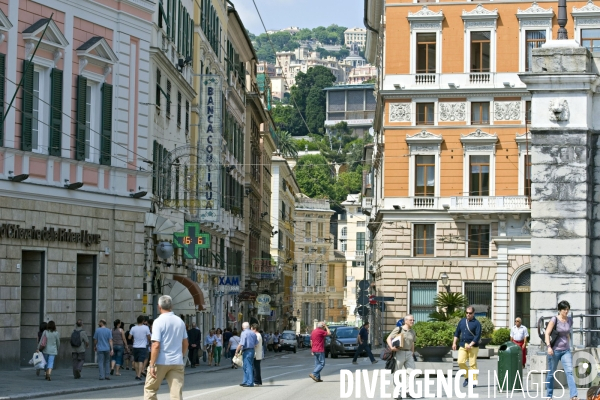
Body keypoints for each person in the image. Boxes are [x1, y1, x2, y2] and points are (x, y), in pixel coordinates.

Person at [144, 295, 189, 400]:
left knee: (150, 390)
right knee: (176, 394)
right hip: (177, 361)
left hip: (160, 361)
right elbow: (185, 343)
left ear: (159, 307)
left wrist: (151, 365)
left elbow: (156, 345)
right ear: (171, 306)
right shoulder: (180, 322)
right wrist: (180, 355)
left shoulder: (158, 322)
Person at [544, 300, 577, 400]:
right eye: (564, 310)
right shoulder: (555, 320)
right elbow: (547, 334)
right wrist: (549, 347)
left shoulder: (569, 320)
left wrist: (569, 344)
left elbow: (567, 333)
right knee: (551, 373)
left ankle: (574, 396)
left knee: (569, 372)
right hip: (554, 350)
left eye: (567, 309)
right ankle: (549, 395)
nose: (566, 312)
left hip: (565, 350)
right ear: (559, 310)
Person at [387, 315, 416, 399]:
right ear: (406, 321)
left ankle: (408, 391)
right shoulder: (398, 329)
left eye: (413, 320)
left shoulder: (412, 332)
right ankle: (397, 393)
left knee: (411, 372)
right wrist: (392, 347)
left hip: (409, 353)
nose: (412, 321)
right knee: (397, 373)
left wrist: (412, 353)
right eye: (411, 320)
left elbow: (413, 343)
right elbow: (389, 338)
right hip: (399, 352)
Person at [452, 306, 482, 388]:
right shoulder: (462, 321)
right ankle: (467, 377)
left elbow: (477, 336)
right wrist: (454, 343)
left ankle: (474, 381)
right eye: (467, 313)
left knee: (472, 364)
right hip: (462, 345)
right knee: (460, 362)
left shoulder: (477, 323)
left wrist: (471, 344)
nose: (468, 314)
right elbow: (457, 333)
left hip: (473, 346)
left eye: (470, 313)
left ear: (473, 313)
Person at [235, 322, 258, 387]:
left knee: (248, 366)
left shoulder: (244, 333)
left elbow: (241, 343)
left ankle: (250, 382)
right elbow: (256, 343)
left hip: (246, 351)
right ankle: (245, 381)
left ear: (243, 327)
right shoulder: (253, 333)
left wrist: (236, 351)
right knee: (246, 366)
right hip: (251, 350)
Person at [130, 315, 151, 381]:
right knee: (141, 361)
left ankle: (137, 374)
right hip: (143, 346)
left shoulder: (133, 328)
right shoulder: (146, 328)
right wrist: (149, 341)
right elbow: (148, 337)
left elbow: (129, 337)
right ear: (143, 321)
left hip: (135, 346)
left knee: (136, 361)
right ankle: (139, 375)